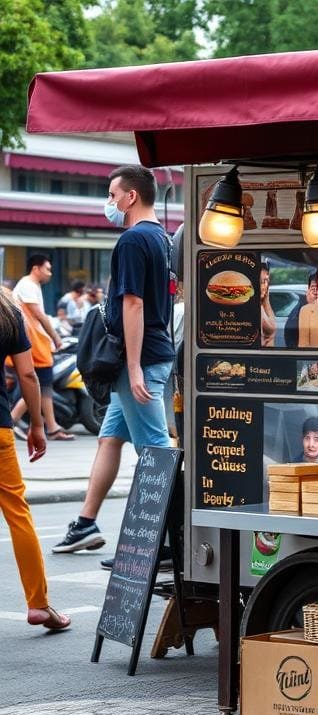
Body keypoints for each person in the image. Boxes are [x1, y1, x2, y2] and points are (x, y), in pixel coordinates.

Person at [53, 165, 174, 554]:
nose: (109, 202)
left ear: (131, 196)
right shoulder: (163, 239)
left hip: (136, 359)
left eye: (112, 194)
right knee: (109, 438)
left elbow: (134, 303)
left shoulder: (132, 241)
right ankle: (86, 523)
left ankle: (170, 542)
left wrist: (135, 366)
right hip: (150, 353)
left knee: (155, 452)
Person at [0, 289, 70, 630]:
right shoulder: (8, 312)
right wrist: (38, 426)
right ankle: (39, 605)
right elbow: (28, 375)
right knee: (17, 514)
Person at [10, 255, 73, 442]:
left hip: (37, 343)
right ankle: (13, 418)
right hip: (34, 344)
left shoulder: (31, 285)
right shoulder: (28, 285)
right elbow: (39, 315)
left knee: (45, 385)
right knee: (37, 384)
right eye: (47, 269)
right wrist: (55, 337)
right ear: (36, 268)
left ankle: (52, 427)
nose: (50, 273)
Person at [282, 273, 317, 348]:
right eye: (313, 288)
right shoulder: (300, 309)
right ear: (308, 291)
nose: (316, 292)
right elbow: (291, 336)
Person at [259, 261, 277, 347]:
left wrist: (266, 298)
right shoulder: (254, 307)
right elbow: (272, 328)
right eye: (262, 281)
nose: (265, 286)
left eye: (267, 281)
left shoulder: (262, 304)